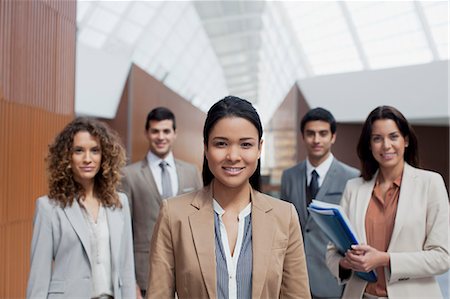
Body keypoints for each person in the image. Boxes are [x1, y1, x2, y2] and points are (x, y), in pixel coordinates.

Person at [147, 96, 311, 298]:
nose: (233, 156)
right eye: (221, 144)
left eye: (245, 145)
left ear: (260, 148)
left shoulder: (284, 216)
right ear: (206, 148)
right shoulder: (174, 215)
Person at [326, 106, 450, 298]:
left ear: (406, 140)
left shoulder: (430, 184)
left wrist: (385, 259)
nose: (386, 145)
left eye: (393, 136)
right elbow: (332, 252)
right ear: (369, 144)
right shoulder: (354, 187)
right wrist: (345, 263)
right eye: (377, 138)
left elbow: (442, 257)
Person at [26, 117, 136, 298]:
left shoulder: (120, 203)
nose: (87, 159)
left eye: (95, 151)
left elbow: (126, 269)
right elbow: (39, 276)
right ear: (67, 156)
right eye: (79, 151)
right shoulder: (48, 208)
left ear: (104, 156)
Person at [120, 107, 202, 298]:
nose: (160, 136)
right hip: (145, 274)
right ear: (147, 133)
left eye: (166, 131)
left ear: (175, 134)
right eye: (155, 131)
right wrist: (130, 282)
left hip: (188, 271)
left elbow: (201, 222)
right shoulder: (129, 176)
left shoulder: (192, 172)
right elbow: (124, 231)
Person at [280, 107, 359, 299]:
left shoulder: (352, 178)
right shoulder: (289, 176)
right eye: (310, 134)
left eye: (323, 134)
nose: (316, 140)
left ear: (333, 137)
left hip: (332, 279)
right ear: (303, 137)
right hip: (294, 278)